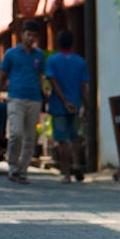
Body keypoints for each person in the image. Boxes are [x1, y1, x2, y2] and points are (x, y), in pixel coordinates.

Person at [0, 20, 46, 185]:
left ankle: (22, 171)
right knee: (16, 134)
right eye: (28, 34)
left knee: (30, 138)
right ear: (22, 35)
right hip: (15, 98)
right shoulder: (11, 54)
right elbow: (1, 78)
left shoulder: (39, 55)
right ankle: (13, 167)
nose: (31, 38)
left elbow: (40, 76)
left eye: (34, 36)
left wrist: (43, 97)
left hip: (34, 99)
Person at [45, 30, 90, 183]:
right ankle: (77, 164)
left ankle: (66, 173)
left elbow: (53, 82)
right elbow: (83, 86)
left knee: (62, 140)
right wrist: (86, 105)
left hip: (59, 106)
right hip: (76, 104)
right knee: (74, 137)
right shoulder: (80, 61)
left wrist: (64, 101)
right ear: (72, 43)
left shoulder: (53, 61)